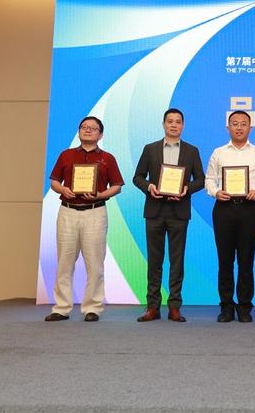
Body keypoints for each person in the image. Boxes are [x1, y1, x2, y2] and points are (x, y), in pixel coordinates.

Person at [45, 116, 124, 323]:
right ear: (79, 131)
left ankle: (92, 308)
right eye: (84, 127)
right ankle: (61, 308)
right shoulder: (66, 155)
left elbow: (117, 186)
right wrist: (62, 189)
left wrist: (100, 194)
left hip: (95, 212)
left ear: (100, 134)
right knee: (64, 262)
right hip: (68, 212)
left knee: (95, 263)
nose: (88, 130)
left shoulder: (107, 158)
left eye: (93, 128)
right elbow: (54, 181)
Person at [133, 108, 205, 323]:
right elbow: (138, 177)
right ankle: (152, 307)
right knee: (154, 261)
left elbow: (201, 179)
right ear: (163, 124)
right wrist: (149, 187)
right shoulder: (150, 149)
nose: (174, 125)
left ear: (183, 125)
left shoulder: (191, 151)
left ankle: (174, 307)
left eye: (178, 122)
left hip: (179, 211)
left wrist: (187, 189)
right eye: (170, 121)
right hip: (154, 211)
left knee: (177, 261)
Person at [205, 110, 255, 323]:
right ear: (228, 128)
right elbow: (209, 180)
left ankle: (244, 307)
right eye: (235, 124)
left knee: (246, 260)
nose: (239, 127)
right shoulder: (218, 153)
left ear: (250, 128)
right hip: (223, 209)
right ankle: (226, 306)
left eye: (243, 124)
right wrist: (216, 192)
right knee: (225, 260)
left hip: (249, 209)